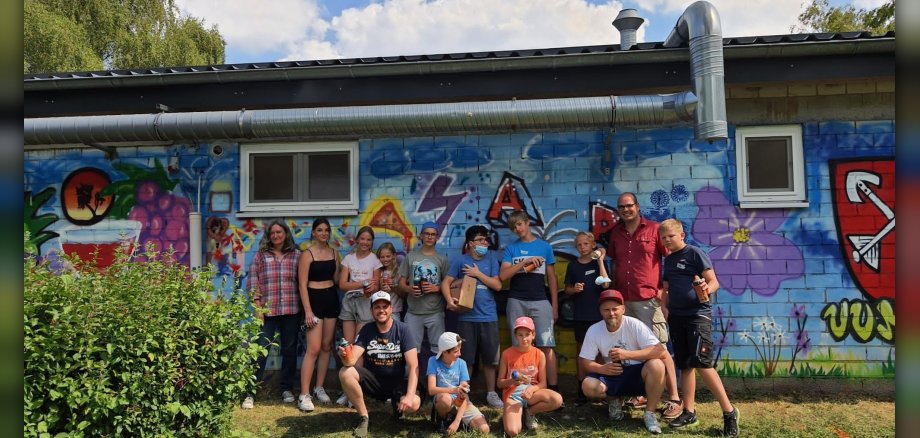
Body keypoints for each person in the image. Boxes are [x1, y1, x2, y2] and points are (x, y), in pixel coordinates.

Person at [603, 192, 682, 418]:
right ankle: (644, 393)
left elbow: (671, 259)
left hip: (649, 300)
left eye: (630, 206)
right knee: (635, 349)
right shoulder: (615, 234)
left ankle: (674, 398)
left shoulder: (654, 230)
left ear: (637, 207)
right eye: (622, 207)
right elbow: (614, 263)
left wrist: (662, 291)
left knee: (661, 349)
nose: (626, 210)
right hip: (624, 301)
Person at [658, 219, 739, 437]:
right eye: (663, 238)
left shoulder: (694, 253)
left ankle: (729, 413)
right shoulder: (669, 259)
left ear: (681, 235)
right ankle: (689, 411)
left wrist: (705, 286)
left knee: (703, 364)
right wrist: (664, 306)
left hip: (697, 316)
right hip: (677, 317)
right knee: (685, 365)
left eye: (671, 236)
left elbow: (714, 282)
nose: (667, 240)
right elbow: (665, 288)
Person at [579, 289, 666, 434]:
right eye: (606, 310)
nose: (611, 313)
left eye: (615, 309)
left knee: (657, 365)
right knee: (588, 386)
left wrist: (627, 354)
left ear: (623, 309)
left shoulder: (634, 324)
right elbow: (585, 362)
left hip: (637, 373)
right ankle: (613, 400)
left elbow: (660, 351)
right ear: (600, 311)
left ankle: (649, 413)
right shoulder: (594, 330)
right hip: (612, 374)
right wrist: (602, 369)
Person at [338, 291, 422, 438]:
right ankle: (364, 418)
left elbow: (413, 365)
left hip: (397, 384)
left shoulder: (403, 330)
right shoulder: (367, 329)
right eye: (377, 307)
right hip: (373, 382)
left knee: (414, 403)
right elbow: (351, 361)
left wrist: (409, 395)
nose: (381, 310)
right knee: (345, 372)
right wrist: (345, 356)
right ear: (372, 311)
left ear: (391, 309)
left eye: (385, 306)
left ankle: (399, 407)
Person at [440, 225, 505, 408]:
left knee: (491, 359)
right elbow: (446, 283)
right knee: (466, 359)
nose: (484, 242)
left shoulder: (492, 259)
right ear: (470, 244)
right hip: (467, 318)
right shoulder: (461, 261)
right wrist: (449, 301)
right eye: (480, 240)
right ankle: (464, 393)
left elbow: (498, 285)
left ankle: (491, 393)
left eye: (486, 239)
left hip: (488, 317)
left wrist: (477, 274)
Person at [499, 210, 560, 393]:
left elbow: (552, 278)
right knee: (518, 345)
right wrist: (523, 262)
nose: (517, 229)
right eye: (513, 227)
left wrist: (554, 305)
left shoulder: (544, 247)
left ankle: (552, 389)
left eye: (519, 224)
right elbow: (503, 275)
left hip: (541, 300)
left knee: (546, 345)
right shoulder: (512, 249)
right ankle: (518, 389)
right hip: (516, 300)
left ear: (527, 223)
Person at [242, 220, 301, 409]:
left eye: (279, 232)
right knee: (260, 349)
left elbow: (303, 281)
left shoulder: (297, 255)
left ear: (286, 234)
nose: (276, 235)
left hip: (291, 310)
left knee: (289, 350)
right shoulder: (261, 255)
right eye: (272, 232)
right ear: (269, 235)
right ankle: (251, 391)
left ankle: (286, 389)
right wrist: (258, 307)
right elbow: (253, 281)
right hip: (267, 311)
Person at [296, 217, 340, 411]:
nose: (324, 233)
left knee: (326, 346)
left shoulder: (334, 253)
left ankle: (318, 387)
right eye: (320, 230)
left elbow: (338, 279)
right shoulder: (307, 255)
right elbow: (302, 285)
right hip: (313, 300)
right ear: (313, 232)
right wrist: (307, 311)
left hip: (331, 298)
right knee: (312, 349)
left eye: (326, 230)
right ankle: (303, 395)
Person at [563, 231, 611, 406]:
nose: (582, 247)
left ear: (593, 245)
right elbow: (567, 289)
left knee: (600, 352)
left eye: (585, 244)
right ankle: (582, 388)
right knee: (582, 353)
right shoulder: (573, 266)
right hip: (581, 315)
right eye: (579, 245)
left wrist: (600, 259)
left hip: (598, 316)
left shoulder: (599, 263)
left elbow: (606, 284)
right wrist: (574, 289)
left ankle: (601, 386)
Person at [336, 226, 382, 405]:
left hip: (365, 303)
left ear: (372, 242)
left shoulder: (375, 261)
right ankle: (346, 391)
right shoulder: (348, 259)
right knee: (347, 347)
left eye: (369, 240)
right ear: (357, 240)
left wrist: (371, 287)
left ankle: (356, 389)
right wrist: (362, 283)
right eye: (362, 239)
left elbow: (376, 286)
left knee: (358, 347)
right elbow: (342, 285)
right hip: (349, 303)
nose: (365, 242)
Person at [497, 316, 563, 437]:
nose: (524, 339)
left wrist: (531, 389)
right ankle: (512, 413)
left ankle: (530, 412)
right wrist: (512, 381)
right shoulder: (507, 354)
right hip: (513, 395)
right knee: (513, 431)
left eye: (527, 334)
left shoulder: (539, 354)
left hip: (532, 394)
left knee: (557, 400)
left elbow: (543, 383)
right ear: (515, 335)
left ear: (533, 335)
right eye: (520, 335)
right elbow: (500, 383)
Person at [397, 222, 449, 355]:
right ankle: (411, 376)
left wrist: (435, 288)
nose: (430, 237)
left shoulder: (442, 259)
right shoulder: (411, 257)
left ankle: (435, 376)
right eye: (427, 234)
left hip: (435, 311)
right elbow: (401, 283)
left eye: (433, 234)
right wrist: (409, 289)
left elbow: (448, 285)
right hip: (413, 312)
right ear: (421, 236)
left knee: (438, 350)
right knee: (411, 351)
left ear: (437, 237)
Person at [427, 332, 490, 436]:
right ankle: (442, 418)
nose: (460, 353)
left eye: (459, 350)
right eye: (456, 351)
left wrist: (456, 422)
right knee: (445, 399)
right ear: (444, 352)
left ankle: (457, 421)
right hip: (443, 400)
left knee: (484, 429)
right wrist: (454, 390)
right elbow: (431, 389)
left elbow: (464, 394)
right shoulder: (433, 361)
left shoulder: (462, 363)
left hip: (461, 402)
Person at [376, 242, 405, 321]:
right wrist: (380, 287)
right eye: (382, 257)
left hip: (394, 310)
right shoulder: (378, 272)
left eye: (388, 256)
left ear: (394, 256)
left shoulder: (399, 272)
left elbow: (404, 295)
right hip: (380, 311)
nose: (385, 259)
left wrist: (393, 286)